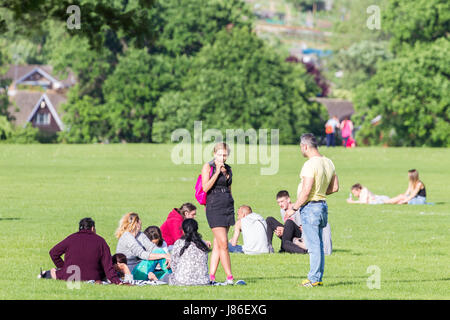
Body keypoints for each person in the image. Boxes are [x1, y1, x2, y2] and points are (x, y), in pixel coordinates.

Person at [285, 133, 339, 287]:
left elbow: (307, 189)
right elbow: (335, 187)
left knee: (313, 245)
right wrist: (320, 192)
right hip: (322, 206)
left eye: (301, 147)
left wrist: (293, 208)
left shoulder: (309, 164)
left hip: (311, 207)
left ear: (305, 146)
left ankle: (313, 279)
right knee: (319, 245)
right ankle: (318, 277)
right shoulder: (329, 162)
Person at [39, 218, 121, 284]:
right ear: (92, 228)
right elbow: (108, 266)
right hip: (93, 277)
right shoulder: (100, 241)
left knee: (51, 272)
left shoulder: (71, 238)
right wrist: (117, 281)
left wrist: (65, 268)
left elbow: (53, 253)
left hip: (70, 276)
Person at [202, 142, 236, 285]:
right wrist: (216, 172)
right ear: (214, 154)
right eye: (220, 154)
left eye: (225, 154)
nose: (223, 157)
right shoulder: (208, 167)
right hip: (214, 206)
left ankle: (211, 276)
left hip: (227, 206)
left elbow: (229, 188)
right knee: (224, 244)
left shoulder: (228, 169)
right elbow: (205, 187)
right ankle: (229, 277)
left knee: (217, 243)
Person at [168, 219, 210, 286]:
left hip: (182, 281)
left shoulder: (179, 243)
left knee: (166, 276)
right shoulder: (203, 244)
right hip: (203, 281)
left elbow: (173, 263)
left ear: (183, 230)